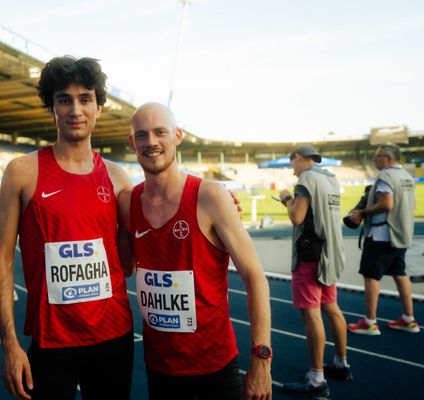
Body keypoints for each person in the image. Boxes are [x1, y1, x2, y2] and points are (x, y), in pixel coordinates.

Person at [0, 56, 134, 400]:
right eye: (64, 99)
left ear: (99, 107)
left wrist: (215, 199)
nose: (75, 109)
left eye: (86, 98)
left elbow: (131, 259)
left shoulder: (117, 178)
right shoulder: (22, 172)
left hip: (113, 335)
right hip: (52, 341)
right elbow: (1, 260)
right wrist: (10, 344)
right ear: (51, 108)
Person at [120, 102, 271, 400]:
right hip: (160, 367)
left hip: (214, 365)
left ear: (177, 136)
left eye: (160, 132)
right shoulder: (127, 203)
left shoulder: (210, 196)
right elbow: (127, 268)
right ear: (132, 142)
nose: (151, 142)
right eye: (142, 135)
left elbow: (255, 278)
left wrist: (261, 359)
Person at [277, 145, 351, 398]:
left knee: (312, 315)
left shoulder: (306, 178)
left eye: (292, 162)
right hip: (331, 252)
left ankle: (317, 379)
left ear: (298, 158)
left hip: (310, 255)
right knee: (331, 307)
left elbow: (297, 217)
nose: (292, 168)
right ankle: (341, 364)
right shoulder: (330, 177)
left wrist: (287, 198)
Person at [348, 144, 419, 335]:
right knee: (400, 274)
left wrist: (362, 212)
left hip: (382, 235)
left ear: (386, 158)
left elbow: (386, 203)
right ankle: (408, 319)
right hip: (401, 233)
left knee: (371, 276)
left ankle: (369, 322)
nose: (373, 159)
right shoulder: (406, 176)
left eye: (377, 156)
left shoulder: (386, 176)